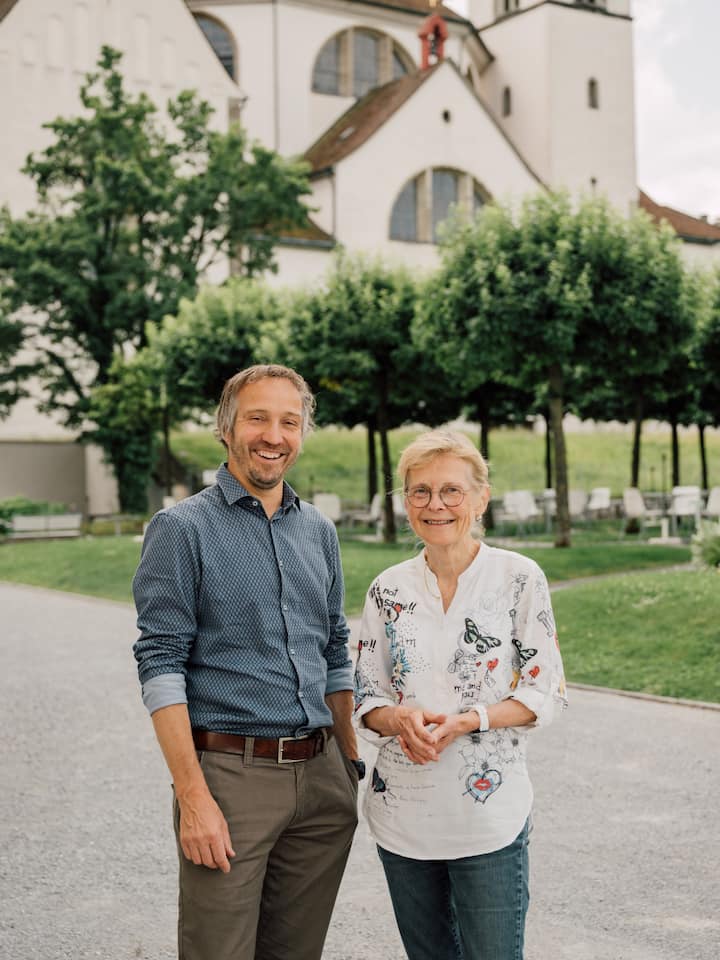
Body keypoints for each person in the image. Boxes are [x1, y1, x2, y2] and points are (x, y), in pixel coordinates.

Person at [133, 364, 362, 960]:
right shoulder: (181, 528)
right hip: (230, 781)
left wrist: (350, 762)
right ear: (227, 427)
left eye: (289, 421)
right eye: (258, 418)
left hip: (322, 780)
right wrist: (194, 797)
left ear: (303, 432)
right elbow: (160, 663)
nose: (273, 435)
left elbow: (334, 645)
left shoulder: (318, 530)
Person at [353, 429, 566, 960]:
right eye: (419, 492)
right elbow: (365, 695)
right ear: (406, 503)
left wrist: (470, 719)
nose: (436, 505)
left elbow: (545, 690)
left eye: (451, 490)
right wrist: (397, 717)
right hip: (402, 815)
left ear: (480, 497)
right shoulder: (387, 589)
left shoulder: (519, 578)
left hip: (488, 816)